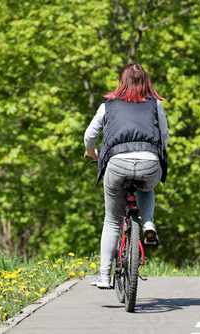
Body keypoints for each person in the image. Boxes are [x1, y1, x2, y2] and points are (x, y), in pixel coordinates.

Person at [84, 63, 169, 289]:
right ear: (146, 82)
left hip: (117, 164)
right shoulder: (155, 104)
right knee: (146, 183)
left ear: (121, 82)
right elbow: (164, 135)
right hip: (149, 164)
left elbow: (89, 135)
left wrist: (91, 152)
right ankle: (148, 222)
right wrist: (155, 153)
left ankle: (103, 275)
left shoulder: (108, 105)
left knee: (112, 220)